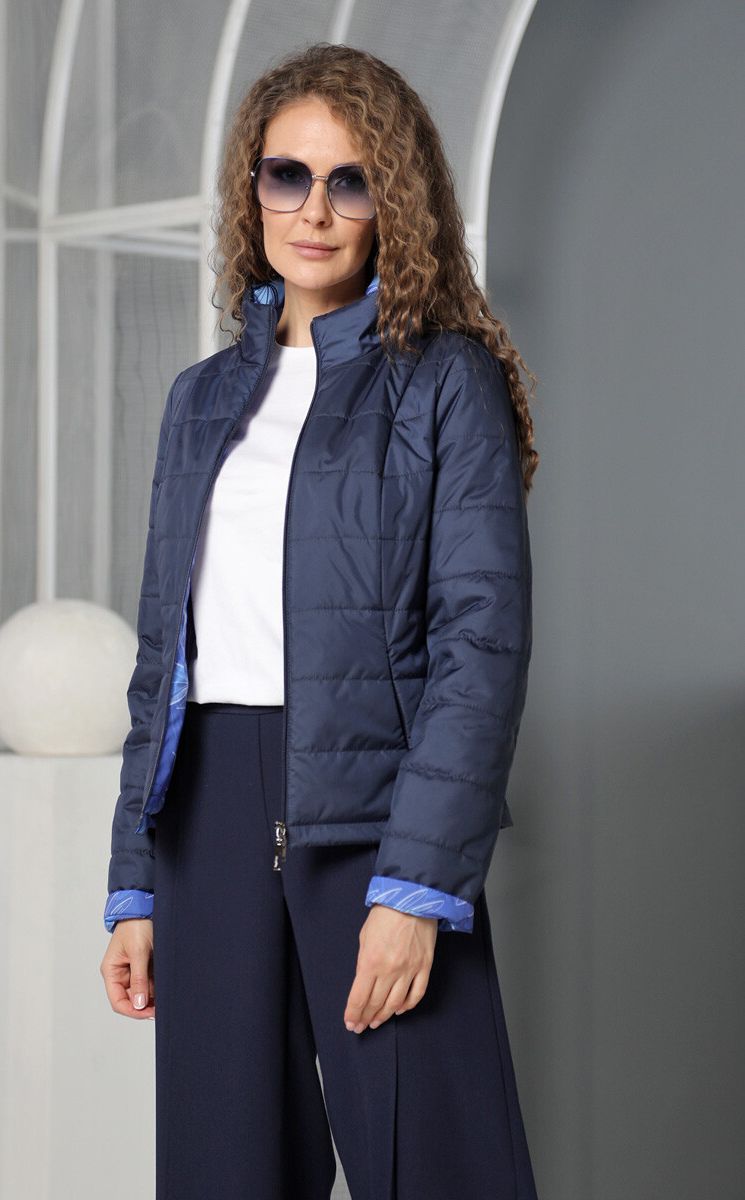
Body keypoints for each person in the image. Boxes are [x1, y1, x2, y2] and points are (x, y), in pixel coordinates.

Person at [100, 42, 539, 1200]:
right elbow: (163, 657)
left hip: (375, 816)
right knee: (225, 1170)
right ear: (252, 190)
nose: (316, 210)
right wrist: (136, 881)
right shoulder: (201, 402)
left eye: (351, 181)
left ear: (395, 200)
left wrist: (417, 886)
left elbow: (480, 644)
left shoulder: (445, 383)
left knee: (439, 1166)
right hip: (208, 821)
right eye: (287, 175)